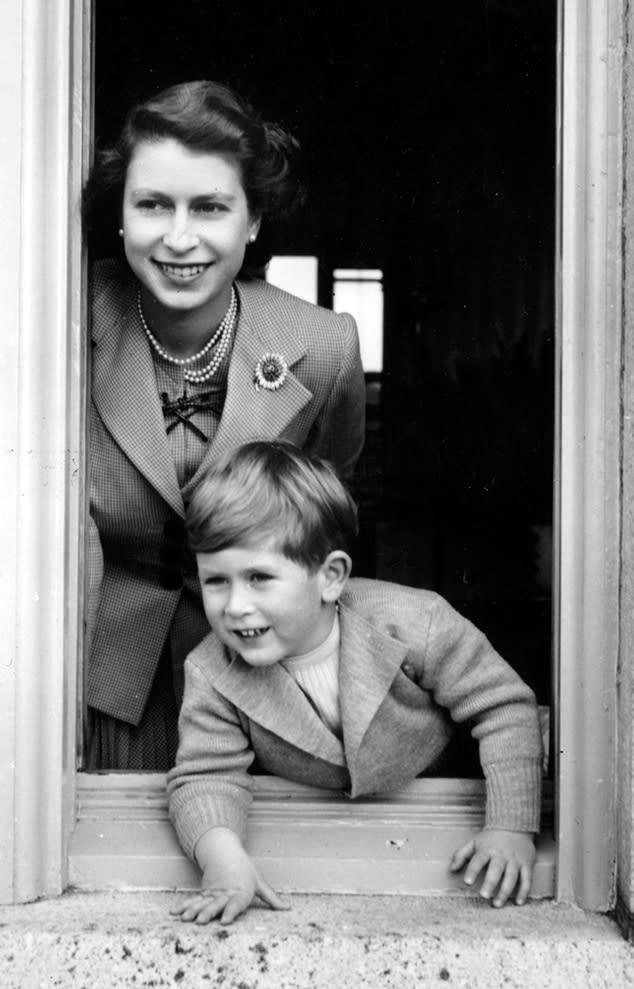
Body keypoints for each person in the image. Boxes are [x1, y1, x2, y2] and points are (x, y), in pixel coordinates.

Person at [82, 81, 366, 770]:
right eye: (153, 205)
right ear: (121, 216)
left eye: (210, 208)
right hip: (99, 677)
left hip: (263, 679)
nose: (180, 238)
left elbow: (325, 514)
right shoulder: (64, 319)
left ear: (254, 220)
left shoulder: (325, 346)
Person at [167, 441, 543, 925]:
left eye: (259, 577)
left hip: (443, 814)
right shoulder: (212, 670)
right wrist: (224, 861)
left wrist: (511, 828)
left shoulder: (415, 622)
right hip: (328, 836)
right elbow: (205, 775)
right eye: (216, 581)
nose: (235, 605)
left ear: (331, 577)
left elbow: (505, 708)